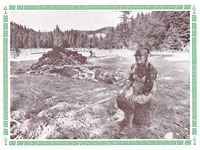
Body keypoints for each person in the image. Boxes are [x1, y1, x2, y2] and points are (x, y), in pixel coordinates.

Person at [117, 44, 157, 135]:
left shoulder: (151, 68)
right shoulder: (133, 66)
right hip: (135, 88)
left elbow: (149, 85)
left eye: (140, 56)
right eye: (136, 56)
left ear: (146, 57)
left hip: (147, 91)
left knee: (129, 101)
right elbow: (130, 80)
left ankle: (129, 126)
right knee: (121, 97)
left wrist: (136, 93)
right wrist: (124, 89)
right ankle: (126, 117)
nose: (137, 58)